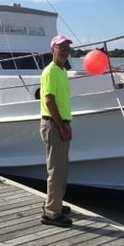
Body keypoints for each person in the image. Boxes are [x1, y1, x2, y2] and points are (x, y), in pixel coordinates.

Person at [39, 35, 73, 227]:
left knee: (62, 169)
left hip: (61, 123)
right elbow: (49, 100)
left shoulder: (62, 71)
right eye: (62, 48)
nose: (66, 52)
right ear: (53, 49)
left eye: (68, 49)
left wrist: (66, 125)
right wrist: (61, 126)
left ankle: (55, 203)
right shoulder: (51, 71)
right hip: (54, 124)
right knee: (56, 170)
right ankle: (52, 213)